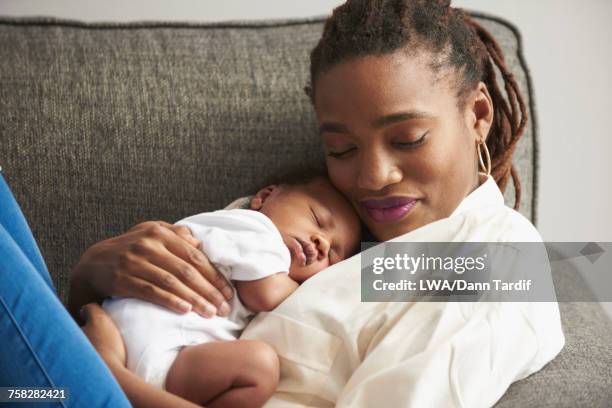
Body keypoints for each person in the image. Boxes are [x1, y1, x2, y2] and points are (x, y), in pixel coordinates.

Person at [1, 0, 564, 407]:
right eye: (340, 148)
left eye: (408, 138)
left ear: (479, 116)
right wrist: (93, 277)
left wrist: (111, 376)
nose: (372, 177)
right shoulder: (320, 213)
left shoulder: (495, 263)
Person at [101, 176, 360, 407]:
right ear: (265, 196)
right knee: (260, 366)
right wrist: (319, 286)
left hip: (128, 332)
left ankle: (116, 378)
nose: (322, 242)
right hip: (157, 344)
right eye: (316, 218)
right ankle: (120, 381)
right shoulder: (255, 227)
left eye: (333, 257)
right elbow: (264, 294)